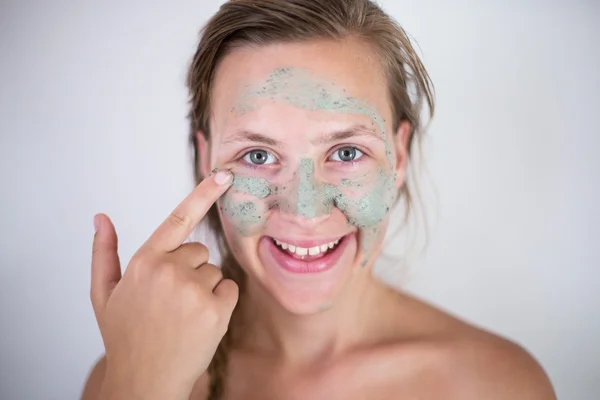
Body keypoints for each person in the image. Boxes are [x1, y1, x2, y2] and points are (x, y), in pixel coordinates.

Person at [82, 0, 557, 399]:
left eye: (347, 152)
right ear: (207, 155)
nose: (304, 210)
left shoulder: (498, 385)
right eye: (258, 154)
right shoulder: (132, 374)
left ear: (398, 155)